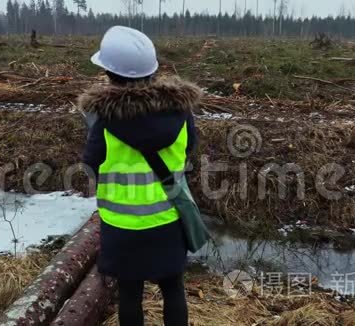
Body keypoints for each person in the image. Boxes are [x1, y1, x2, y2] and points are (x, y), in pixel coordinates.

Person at [79, 26, 202, 326]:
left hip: (122, 227)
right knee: (173, 288)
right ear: (152, 72)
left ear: (108, 74)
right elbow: (189, 152)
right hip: (168, 221)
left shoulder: (104, 122)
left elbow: (91, 165)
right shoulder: (181, 113)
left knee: (130, 293)